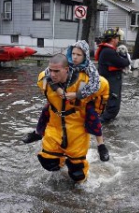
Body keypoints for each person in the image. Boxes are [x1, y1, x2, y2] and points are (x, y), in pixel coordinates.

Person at [23, 40, 110, 161]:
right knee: (46, 109)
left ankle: (101, 145)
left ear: (85, 56)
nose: (75, 57)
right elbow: (48, 75)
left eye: (79, 55)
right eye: (73, 53)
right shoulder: (64, 63)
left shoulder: (90, 68)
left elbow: (96, 85)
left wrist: (77, 95)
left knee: (93, 115)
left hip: (82, 99)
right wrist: (56, 88)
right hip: (61, 106)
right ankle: (38, 133)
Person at [31, 53, 107, 182]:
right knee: (47, 162)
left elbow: (102, 90)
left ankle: (81, 174)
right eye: (51, 70)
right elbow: (46, 93)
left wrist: (100, 143)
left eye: (56, 71)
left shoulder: (86, 82)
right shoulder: (44, 79)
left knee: (77, 174)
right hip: (55, 125)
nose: (53, 74)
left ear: (66, 70)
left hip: (77, 128)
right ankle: (60, 161)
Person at [95, 28, 131, 123]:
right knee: (113, 102)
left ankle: (105, 122)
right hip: (111, 79)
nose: (118, 40)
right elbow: (123, 63)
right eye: (117, 38)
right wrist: (126, 57)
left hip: (110, 79)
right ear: (113, 39)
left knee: (109, 101)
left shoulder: (106, 50)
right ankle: (103, 122)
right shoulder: (108, 52)